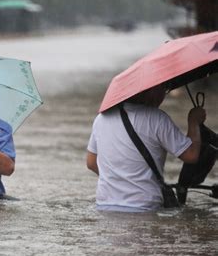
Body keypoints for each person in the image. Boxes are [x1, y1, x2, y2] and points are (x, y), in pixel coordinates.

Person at [86, 84, 206, 212]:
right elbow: (191, 155)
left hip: (105, 206)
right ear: (151, 93)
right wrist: (194, 122)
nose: (163, 95)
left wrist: (120, 179)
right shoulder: (157, 119)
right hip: (144, 207)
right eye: (163, 90)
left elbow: (91, 163)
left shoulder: (101, 118)